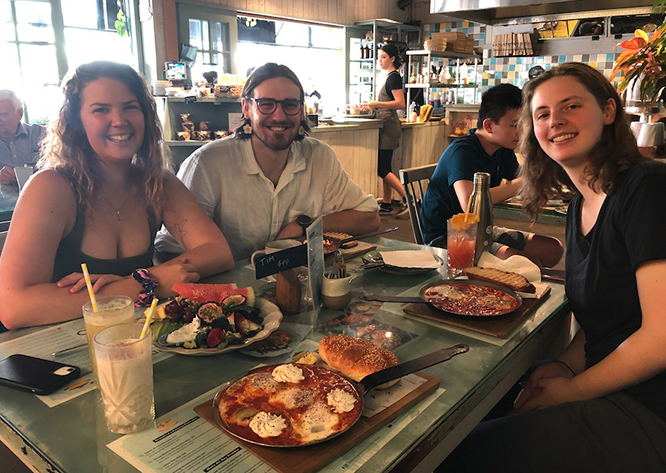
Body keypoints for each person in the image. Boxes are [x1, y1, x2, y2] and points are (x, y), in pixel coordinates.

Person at [440, 63, 666, 472]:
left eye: (571, 106)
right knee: (486, 406)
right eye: (542, 114)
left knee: (452, 454)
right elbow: (605, 323)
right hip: (608, 382)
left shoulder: (647, 187)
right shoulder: (580, 204)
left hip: (649, 408)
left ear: (609, 111)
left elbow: (660, 339)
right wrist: (563, 365)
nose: (555, 121)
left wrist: (571, 389)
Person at [0, 61, 234, 330]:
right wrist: (145, 284)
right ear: (76, 122)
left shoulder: (157, 183)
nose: (119, 121)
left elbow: (218, 253)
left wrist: (145, 279)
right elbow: (13, 307)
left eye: (130, 107)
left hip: (141, 341)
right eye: (101, 110)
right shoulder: (51, 187)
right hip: (60, 353)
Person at [155, 63, 380, 261]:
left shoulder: (320, 156)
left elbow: (369, 218)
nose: (279, 116)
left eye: (290, 105)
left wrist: (304, 225)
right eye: (266, 104)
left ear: (302, 110)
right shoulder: (206, 164)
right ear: (246, 108)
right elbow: (170, 250)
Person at [420, 83, 563, 267]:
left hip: (480, 230)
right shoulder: (463, 151)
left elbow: (525, 178)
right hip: (448, 237)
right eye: (515, 125)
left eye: (524, 125)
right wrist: (523, 182)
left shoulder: (502, 149)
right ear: (489, 125)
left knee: (553, 249)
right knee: (526, 264)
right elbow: (470, 205)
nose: (522, 132)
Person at [364, 43, 407, 214]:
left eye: (383, 57)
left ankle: (408, 198)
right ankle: (387, 203)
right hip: (386, 125)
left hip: (389, 127)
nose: (380, 61)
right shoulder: (390, 77)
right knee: (385, 167)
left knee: (382, 169)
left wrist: (376, 104)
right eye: (379, 57)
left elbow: (400, 103)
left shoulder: (394, 77)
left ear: (392, 59)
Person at [0, 89, 46, 185]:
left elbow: (63, 166)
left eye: (3, 114)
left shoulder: (41, 134)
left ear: (20, 114)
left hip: (42, 194)